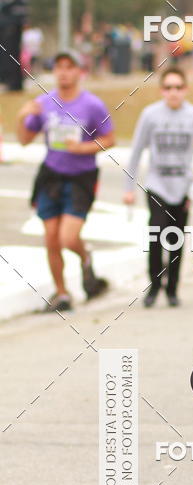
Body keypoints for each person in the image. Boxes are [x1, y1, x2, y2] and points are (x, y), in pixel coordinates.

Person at [16, 50, 114, 312]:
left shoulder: (92, 105)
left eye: (69, 67)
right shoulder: (44, 102)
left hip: (81, 178)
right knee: (51, 239)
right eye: (58, 67)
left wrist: (81, 148)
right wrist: (21, 115)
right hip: (51, 176)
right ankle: (62, 293)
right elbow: (24, 139)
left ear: (79, 72)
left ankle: (85, 256)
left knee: (68, 239)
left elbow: (109, 139)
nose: (63, 72)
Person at [123, 67, 193, 307]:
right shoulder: (150, 115)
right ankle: (154, 286)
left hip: (183, 188)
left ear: (185, 90)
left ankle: (172, 289)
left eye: (178, 87)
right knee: (156, 234)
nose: (173, 93)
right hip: (156, 185)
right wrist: (129, 188)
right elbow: (135, 152)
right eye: (168, 88)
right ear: (162, 91)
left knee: (175, 238)